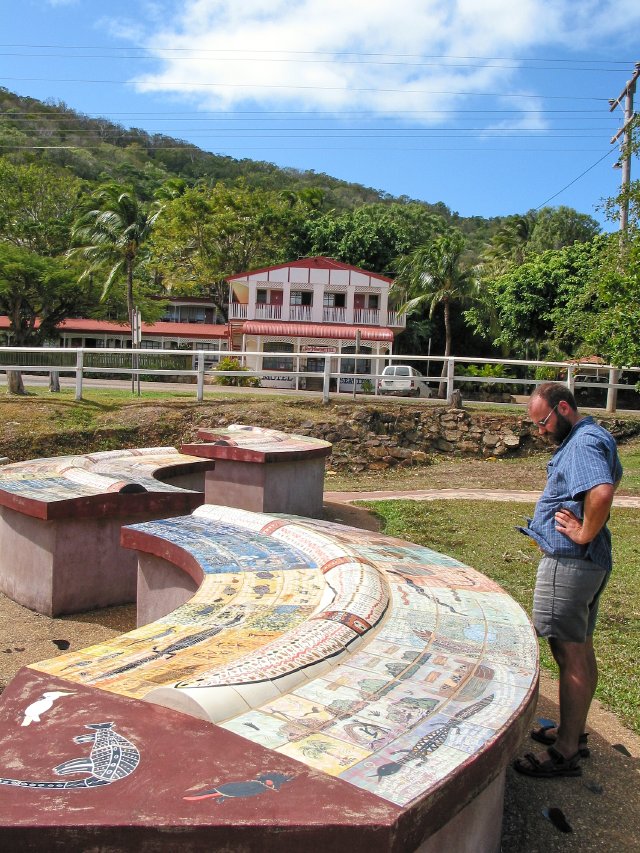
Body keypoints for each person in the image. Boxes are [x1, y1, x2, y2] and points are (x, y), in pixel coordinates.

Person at [513, 382, 622, 779]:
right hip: (586, 564)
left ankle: (565, 750)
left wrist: (583, 533)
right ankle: (572, 732)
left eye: (542, 422)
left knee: (568, 655)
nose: (540, 431)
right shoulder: (594, 436)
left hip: (572, 563)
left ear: (563, 407)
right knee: (580, 650)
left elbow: (602, 492)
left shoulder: (582, 443)